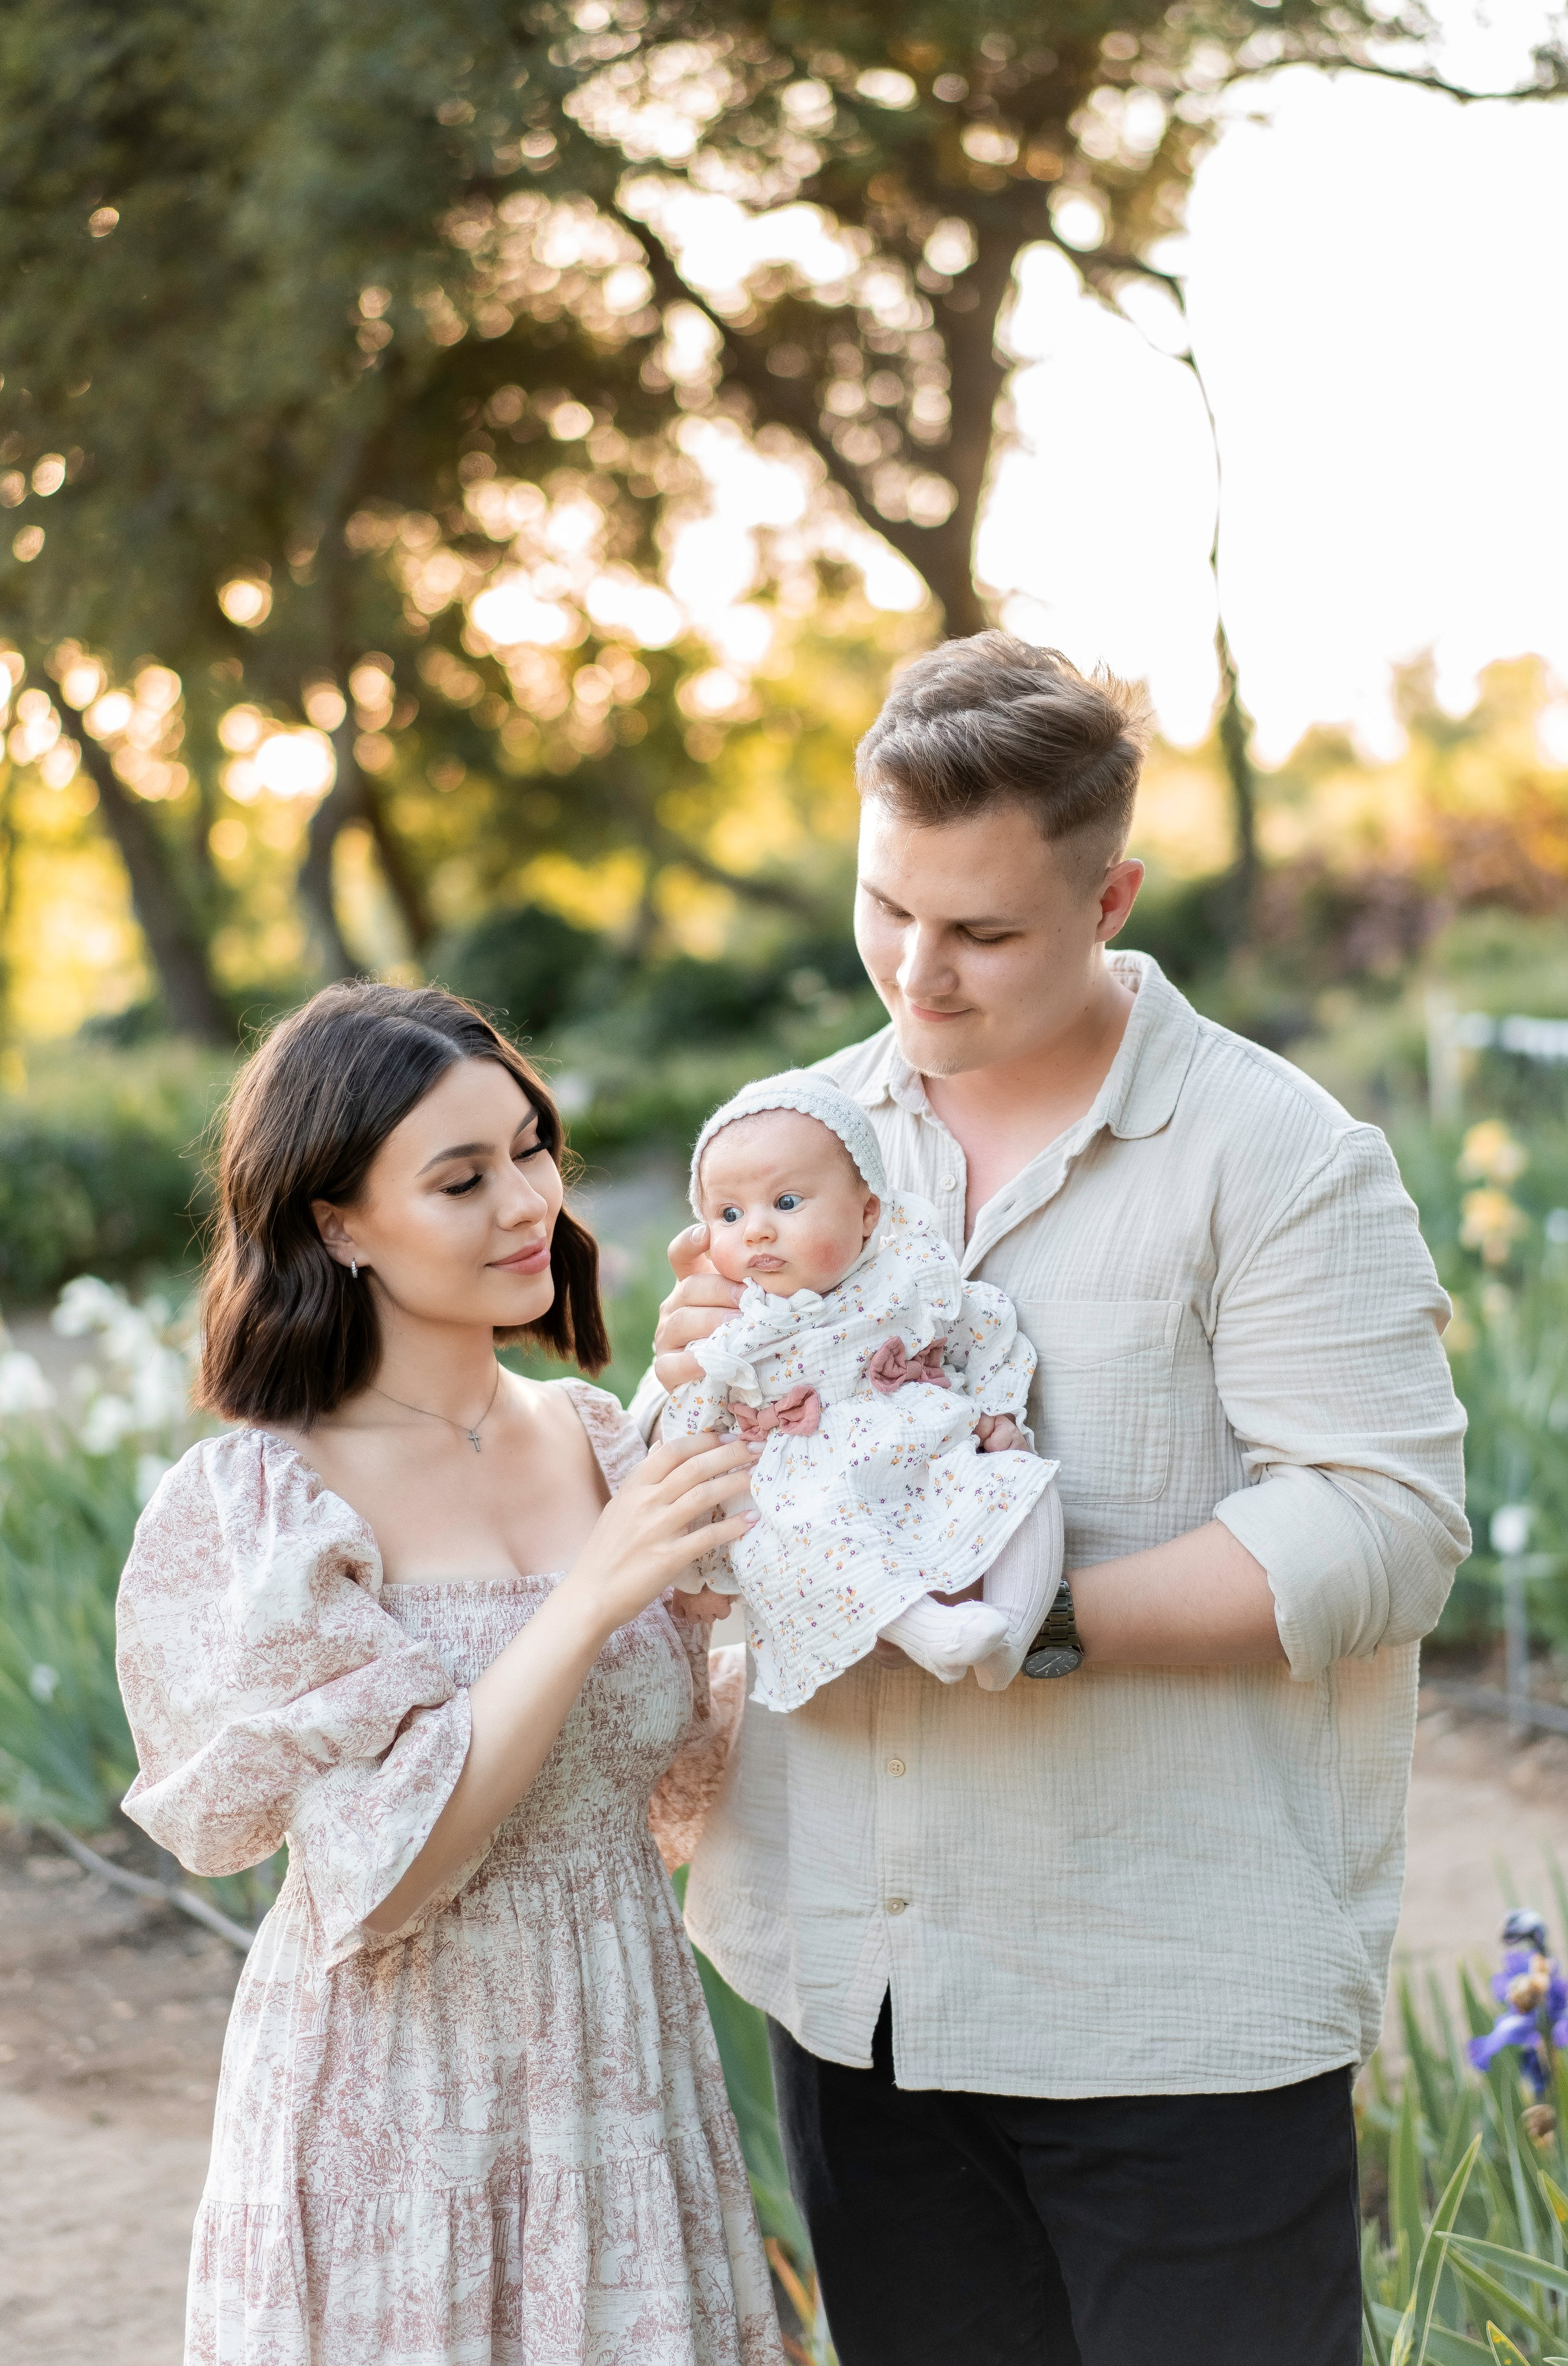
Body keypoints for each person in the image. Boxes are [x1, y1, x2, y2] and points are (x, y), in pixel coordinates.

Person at [637, 633, 1470, 2366]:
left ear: (1112, 897)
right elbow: (696, 1490)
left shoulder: (1281, 1153)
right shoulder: (796, 1139)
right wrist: (684, 1385)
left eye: (984, 931)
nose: (915, 977)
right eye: (886, 908)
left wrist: (1039, 1620)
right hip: (848, 1978)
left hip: (1167, 1993)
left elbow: (1389, 1525)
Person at [114, 982, 784, 2366]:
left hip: (620, 2086)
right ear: (336, 1222)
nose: (527, 1201)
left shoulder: (608, 1441)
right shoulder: (265, 1505)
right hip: (394, 2110)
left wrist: (786, 1387)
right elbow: (389, 1878)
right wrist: (595, 1591)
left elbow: (687, 1771)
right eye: (461, 1177)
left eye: (531, 1149)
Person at [662, 1070, 1063, 1706]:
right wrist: (696, 1564)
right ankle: (930, 1630)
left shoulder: (905, 1281)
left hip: (923, 1451)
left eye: (786, 1202)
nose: (757, 1230)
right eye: (729, 1214)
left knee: (1019, 1482)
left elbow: (985, 1328)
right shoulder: (732, 1332)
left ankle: (1013, 1630)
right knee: (815, 1545)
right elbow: (692, 1434)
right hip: (811, 1490)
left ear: (868, 1211)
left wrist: (996, 1409)